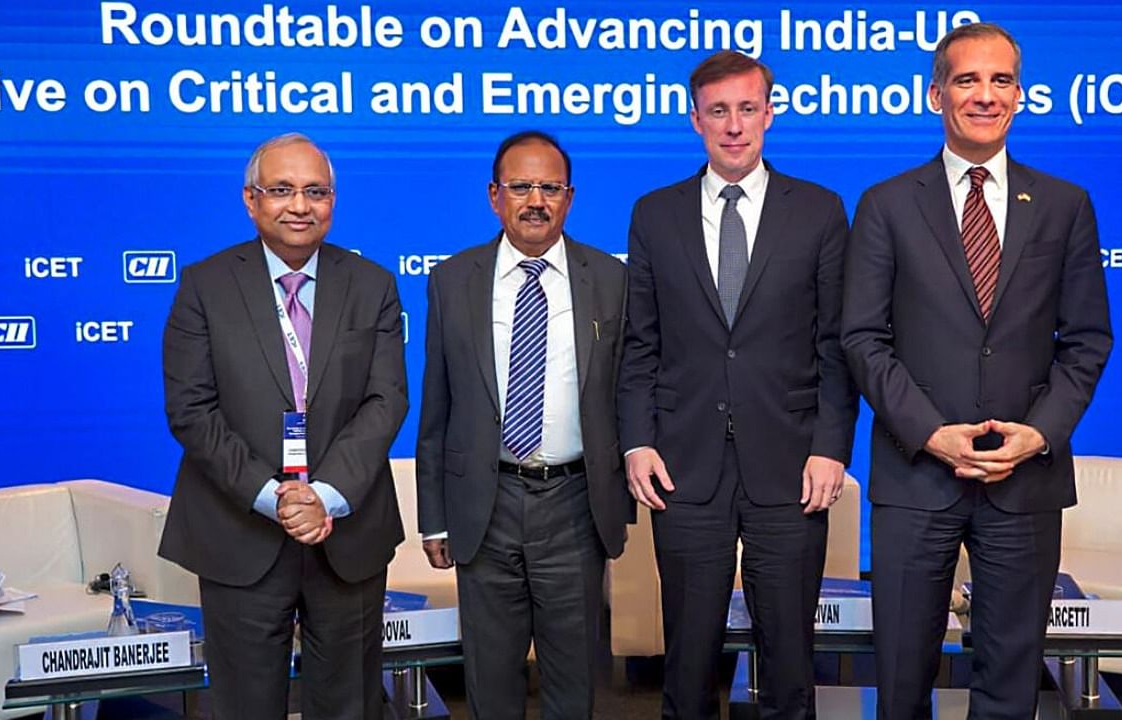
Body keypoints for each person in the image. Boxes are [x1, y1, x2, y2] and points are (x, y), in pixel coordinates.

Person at [841, 23, 1114, 719]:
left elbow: (1087, 340)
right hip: (915, 476)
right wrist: (931, 434)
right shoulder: (886, 204)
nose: (984, 95)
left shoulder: (1065, 204)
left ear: (1020, 95)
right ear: (936, 93)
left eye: (1000, 81)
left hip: (1025, 478)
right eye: (967, 80)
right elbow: (864, 338)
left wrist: (1040, 434)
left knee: (1011, 677)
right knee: (902, 676)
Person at [619, 51, 857, 719]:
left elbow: (836, 345)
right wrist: (637, 441)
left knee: (789, 663)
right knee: (688, 666)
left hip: (791, 465)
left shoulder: (817, 211)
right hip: (683, 465)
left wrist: (831, 446)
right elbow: (641, 344)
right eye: (718, 111)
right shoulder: (654, 214)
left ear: (769, 115)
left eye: (747, 109)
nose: (734, 126)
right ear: (695, 119)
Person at [159, 133, 409, 719]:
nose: (300, 205)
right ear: (251, 200)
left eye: (316, 191)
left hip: (346, 532)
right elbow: (191, 409)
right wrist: (275, 498)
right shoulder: (205, 286)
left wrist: (323, 498)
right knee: (245, 706)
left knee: (350, 704)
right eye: (282, 190)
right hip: (238, 531)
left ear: (333, 201)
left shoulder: (371, 284)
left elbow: (386, 400)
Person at [415, 130, 629, 719]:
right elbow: (437, 408)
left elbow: (629, 394)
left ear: (570, 197)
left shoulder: (610, 279)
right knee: (491, 680)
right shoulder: (453, 280)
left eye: (550, 187)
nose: (536, 199)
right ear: (494, 196)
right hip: (485, 505)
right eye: (521, 186)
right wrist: (433, 517)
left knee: (573, 679)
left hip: (576, 502)